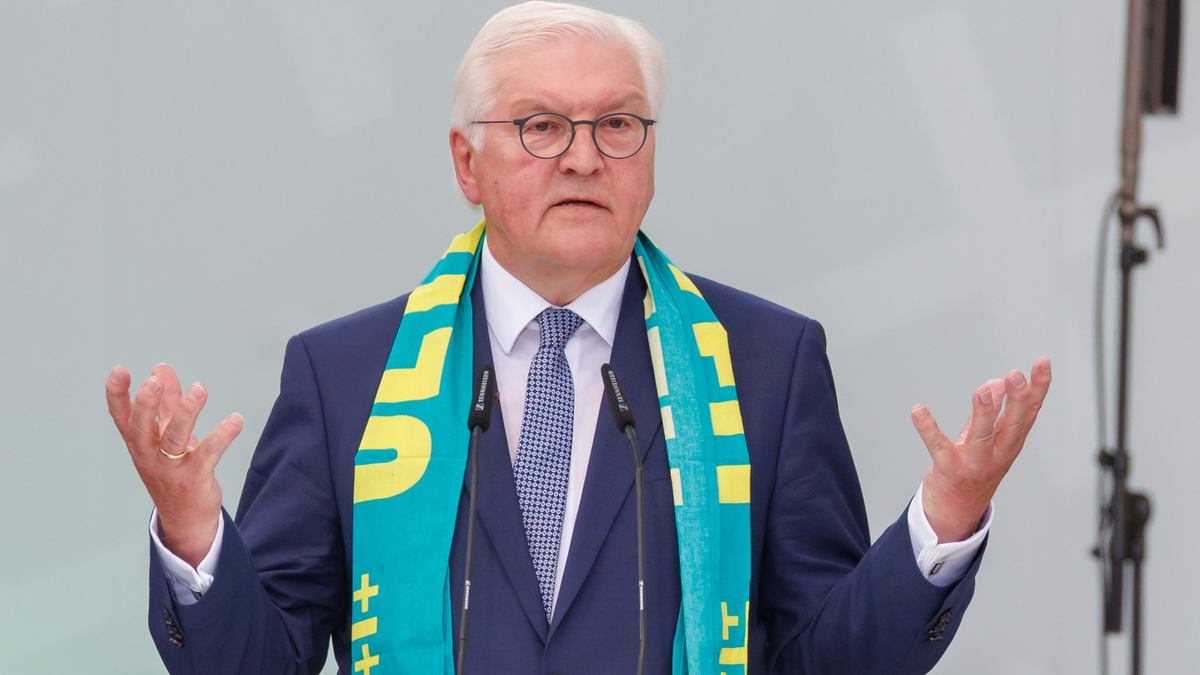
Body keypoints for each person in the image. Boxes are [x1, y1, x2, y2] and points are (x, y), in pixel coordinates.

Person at [104, 3, 1052, 674]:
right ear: (466, 163)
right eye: (542, 126)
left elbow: (831, 662)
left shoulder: (767, 363)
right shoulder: (345, 375)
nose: (586, 157)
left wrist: (946, 517)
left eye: (619, 125)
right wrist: (192, 526)